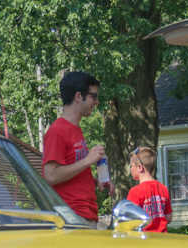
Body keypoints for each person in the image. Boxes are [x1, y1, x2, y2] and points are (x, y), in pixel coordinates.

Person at [41, 71, 113, 226]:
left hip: (84, 215)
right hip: (70, 217)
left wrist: (95, 181)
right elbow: (50, 176)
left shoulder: (75, 130)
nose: (97, 102)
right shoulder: (58, 131)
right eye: (94, 96)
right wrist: (88, 160)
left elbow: (71, 174)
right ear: (79, 96)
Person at [126, 147, 172, 233]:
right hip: (163, 240)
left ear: (140, 167)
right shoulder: (163, 188)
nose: (130, 169)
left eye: (131, 166)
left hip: (144, 241)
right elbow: (168, 218)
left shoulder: (135, 192)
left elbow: (130, 222)